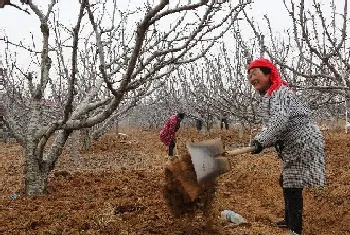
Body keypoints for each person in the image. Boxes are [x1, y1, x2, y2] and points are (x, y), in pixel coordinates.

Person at [247, 58, 326, 235]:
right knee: (287, 180)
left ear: (268, 74)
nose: (252, 78)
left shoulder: (281, 91)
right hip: (293, 142)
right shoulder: (272, 95)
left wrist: (261, 140)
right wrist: (263, 142)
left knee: (293, 183)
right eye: (249, 76)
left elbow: (279, 121)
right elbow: (275, 127)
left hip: (303, 140)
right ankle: (289, 219)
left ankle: (295, 228)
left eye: (255, 73)